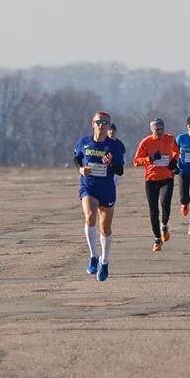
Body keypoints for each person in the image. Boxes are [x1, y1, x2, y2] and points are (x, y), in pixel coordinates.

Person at [74, 111, 124, 281]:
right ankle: (93, 256)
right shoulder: (84, 142)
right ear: (92, 123)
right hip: (88, 186)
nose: (101, 126)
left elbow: (120, 170)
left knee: (105, 228)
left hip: (107, 189)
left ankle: (105, 260)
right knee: (89, 217)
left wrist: (111, 163)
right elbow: (77, 159)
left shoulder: (114, 146)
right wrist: (81, 169)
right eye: (98, 122)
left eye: (105, 123)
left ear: (109, 126)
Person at [134, 117, 179, 251]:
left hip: (167, 178)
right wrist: (150, 158)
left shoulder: (170, 139)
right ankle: (157, 239)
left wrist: (174, 162)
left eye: (161, 129)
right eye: (156, 129)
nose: (159, 131)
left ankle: (164, 225)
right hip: (151, 180)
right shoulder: (146, 142)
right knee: (153, 211)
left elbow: (177, 151)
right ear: (152, 130)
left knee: (165, 205)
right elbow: (136, 161)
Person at [107, 123, 126, 200]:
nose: (111, 131)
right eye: (110, 130)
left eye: (113, 130)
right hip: (103, 169)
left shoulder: (119, 144)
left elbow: (123, 155)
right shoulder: (103, 142)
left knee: (112, 187)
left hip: (115, 169)